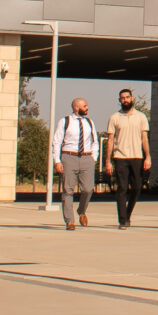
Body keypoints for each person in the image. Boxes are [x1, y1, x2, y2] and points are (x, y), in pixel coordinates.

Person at [104, 88, 150, 228]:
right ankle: (122, 219)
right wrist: (108, 161)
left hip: (137, 156)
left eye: (127, 97)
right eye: (122, 98)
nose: (125, 100)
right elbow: (110, 140)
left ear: (132, 98)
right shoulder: (114, 117)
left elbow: (144, 138)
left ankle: (128, 214)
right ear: (119, 100)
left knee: (136, 187)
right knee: (122, 188)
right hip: (120, 157)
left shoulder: (141, 117)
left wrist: (148, 157)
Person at [55, 96, 100, 231]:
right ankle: (69, 221)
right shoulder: (65, 121)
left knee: (88, 189)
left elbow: (94, 141)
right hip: (69, 157)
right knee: (68, 190)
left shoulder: (89, 122)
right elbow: (57, 142)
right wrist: (57, 161)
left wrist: (94, 158)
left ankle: (81, 210)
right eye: (84, 106)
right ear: (76, 108)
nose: (87, 108)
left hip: (86, 158)